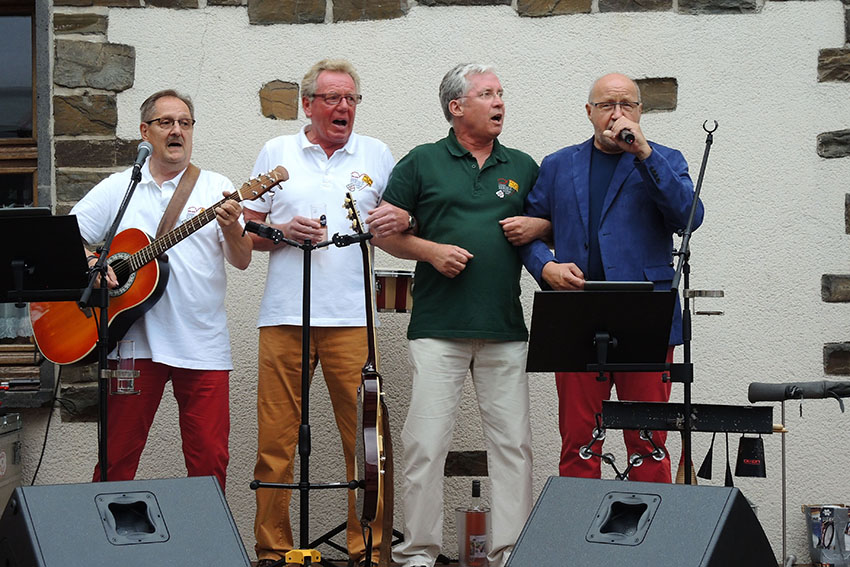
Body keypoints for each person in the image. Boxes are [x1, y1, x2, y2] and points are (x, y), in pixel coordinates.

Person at [368, 63, 547, 567]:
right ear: (456, 107)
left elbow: (553, 223)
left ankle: (510, 553)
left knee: (513, 447)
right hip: (438, 329)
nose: (499, 103)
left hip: (504, 329)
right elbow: (383, 231)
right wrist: (431, 251)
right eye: (487, 94)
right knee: (424, 444)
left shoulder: (523, 165)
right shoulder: (422, 161)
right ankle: (419, 554)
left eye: (501, 94)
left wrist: (542, 222)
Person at [243, 59, 404, 567]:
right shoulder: (278, 152)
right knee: (276, 439)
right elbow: (247, 233)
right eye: (333, 98)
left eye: (352, 99)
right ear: (308, 104)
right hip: (285, 316)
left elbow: (396, 228)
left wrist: (404, 215)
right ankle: (273, 551)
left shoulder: (377, 154)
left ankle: (369, 552)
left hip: (353, 318)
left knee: (368, 443)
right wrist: (282, 231)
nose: (344, 108)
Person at [520, 73, 705, 482]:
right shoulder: (557, 165)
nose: (617, 114)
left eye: (627, 105)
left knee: (649, 441)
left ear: (640, 112)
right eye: (607, 105)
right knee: (579, 440)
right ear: (589, 112)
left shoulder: (665, 159)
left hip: (645, 315)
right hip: (576, 316)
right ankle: (580, 541)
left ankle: (649, 542)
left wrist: (644, 154)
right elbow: (527, 231)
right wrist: (545, 267)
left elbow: (688, 218)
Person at [73, 89, 253, 490]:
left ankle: (206, 550)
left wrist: (229, 225)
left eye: (185, 123)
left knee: (209, 459)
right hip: (134, 344)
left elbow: (242, 259)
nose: (177, 131)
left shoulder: (215, 187)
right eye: (166, 123)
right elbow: (68, 236)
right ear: (145, 132)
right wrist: (91, 263)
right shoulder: (120, 188)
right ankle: (106, 550)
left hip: (202, 345)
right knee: (115, 458)